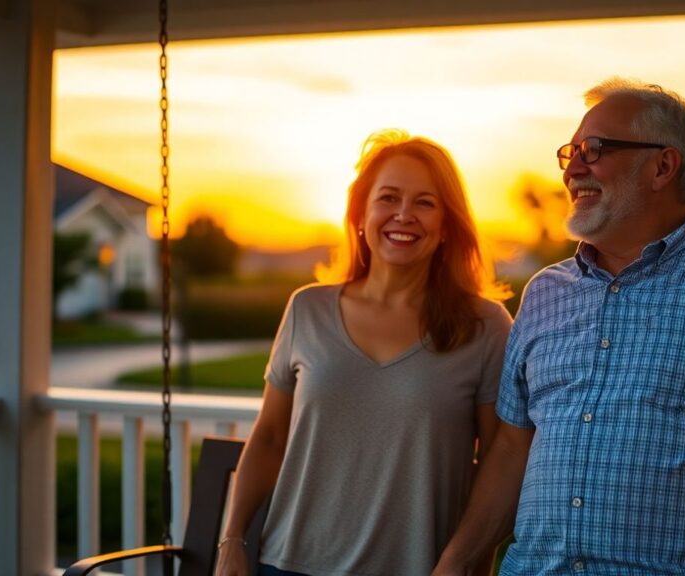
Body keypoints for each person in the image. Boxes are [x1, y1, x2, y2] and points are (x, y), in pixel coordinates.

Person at [433, 78, 685, 576]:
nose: (574, 169)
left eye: (595, 149)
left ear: (662, 166)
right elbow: (511, 446)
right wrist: (452, 566)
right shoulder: (545, 293)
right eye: (570, 153)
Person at [215, 130, 512, 576]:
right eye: (388, 198)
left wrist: (462, 562)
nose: (404, 215)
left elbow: (499, 461)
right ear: (360, 214)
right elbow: (270, 437)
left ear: (448, 224)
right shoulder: (306, 309)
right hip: (287, 565)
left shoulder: (485, 326)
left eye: (425, 203)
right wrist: (232, 540)